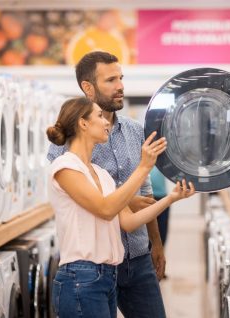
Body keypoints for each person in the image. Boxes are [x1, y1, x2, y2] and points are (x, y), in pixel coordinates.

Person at [47, 97, 194, 318]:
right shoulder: (65, 167)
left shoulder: (102, 174)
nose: (106, 122)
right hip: (80, 278)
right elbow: (105, 209)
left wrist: (171, 198)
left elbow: (127, 221)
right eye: (99, 116)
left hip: (106, 277)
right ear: (83, 123)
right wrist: (143, 167)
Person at [47, 51, 167, 317]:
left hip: (136, 256)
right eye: (111, 80)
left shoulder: (135, 131)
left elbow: (145, 192)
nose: (121, 86)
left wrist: (155, 244)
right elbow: (90, 202)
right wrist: (126, 199)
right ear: (88, 88)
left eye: (121, 78)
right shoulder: (67, 148)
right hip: (90, 264)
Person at [150, 167, 170, 248]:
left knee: (162, 234)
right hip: (146, 197)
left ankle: (160, 255)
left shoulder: (162, 158)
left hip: (162, 196)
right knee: (149, 233)